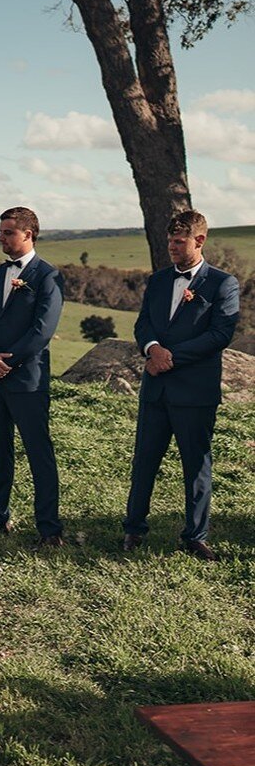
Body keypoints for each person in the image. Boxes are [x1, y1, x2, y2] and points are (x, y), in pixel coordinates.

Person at [122, 211, 240, 561]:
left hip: (194, 390)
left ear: (199, 241)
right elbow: (144, 324)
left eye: (179, 242)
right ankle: (133, 529)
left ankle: (195, 536)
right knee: (144, 461)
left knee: (196, 464)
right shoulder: (157, 281)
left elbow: (220, 334)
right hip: (155, 389)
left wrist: (171, 356)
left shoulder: (222, 284)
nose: (172, 247)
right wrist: (152, 349)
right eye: (169, 241)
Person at [0, 206, 64, 547]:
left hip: (28, 380)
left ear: (29, 234)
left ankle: (49, 529)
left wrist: (5, 363)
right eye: (1, 231)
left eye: (9, 232)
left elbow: (42, 331)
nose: (1, 238)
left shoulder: (48, 277)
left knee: (39, 452)